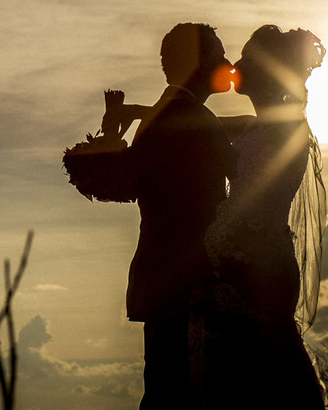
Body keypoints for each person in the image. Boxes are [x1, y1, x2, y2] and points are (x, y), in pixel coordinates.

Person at [111, 22, 235, 409]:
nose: (228, 63)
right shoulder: (183, 119)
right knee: (181, 396)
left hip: (167, 284)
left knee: (168, 391)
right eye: (218, 53)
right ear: (197, 63)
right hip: (186, 286)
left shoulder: (172, 115)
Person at [204, 25, 327, 408]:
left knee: (263, 380)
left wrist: (206, 248)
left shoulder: (283, 128)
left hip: (258, 265)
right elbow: (204, 127)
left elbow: (251, 204)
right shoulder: (264, 122)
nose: (236, 65)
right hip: (251, 258)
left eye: (245, 59)